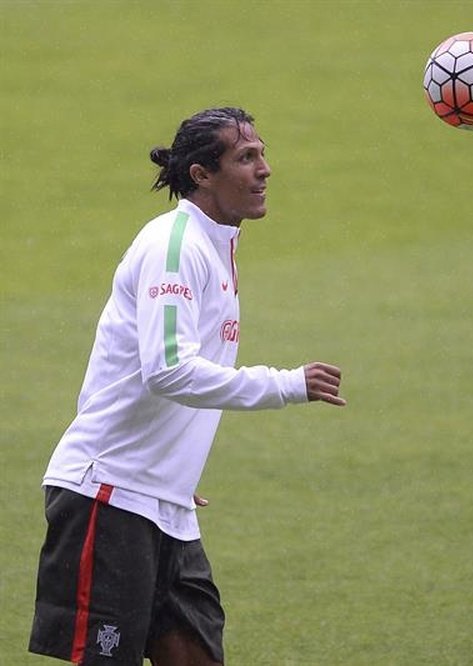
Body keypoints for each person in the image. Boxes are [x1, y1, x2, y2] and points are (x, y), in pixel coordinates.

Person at [29, 107, 345, 665]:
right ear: (201, 174)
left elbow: (127, 372)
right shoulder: (175, 246)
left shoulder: (216, 245)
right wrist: (286, 384)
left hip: (164, 502)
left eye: (262, 154)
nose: (265, 169)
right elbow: (168, 368)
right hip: (111, 495)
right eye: (246, 158)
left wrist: (171, 463)